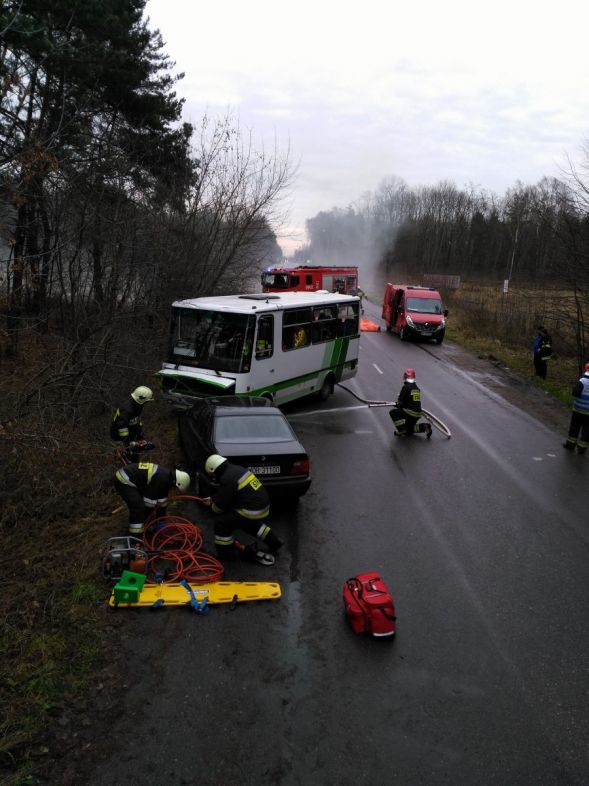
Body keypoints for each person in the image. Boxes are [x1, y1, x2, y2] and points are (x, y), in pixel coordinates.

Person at [200, 454, 283, 566]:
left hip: (251, 509)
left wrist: (212, 506)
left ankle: (226, 555)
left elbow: (220, 507)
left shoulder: (227, 478)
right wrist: (213, 499)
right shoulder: (234, 469)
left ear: (213, 470)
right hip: (262, 505)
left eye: (212, 474)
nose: (213, 477)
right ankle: (275, 541)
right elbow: (229, 494)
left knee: (221, 523)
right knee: (248, 524)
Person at [113, 462, 191, 537]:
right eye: (175, 487)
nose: (174, 489)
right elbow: (148, 503)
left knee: (143, 508)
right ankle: (135, 537)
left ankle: (142, 527)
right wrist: (147, 521)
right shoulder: (161, 478)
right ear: (176, 482)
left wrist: (161, 521)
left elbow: (162, 502)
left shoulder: (166, 478)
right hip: (124, 480)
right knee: (138, 508)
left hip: (133, 480)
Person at [111, 386, 154, 462]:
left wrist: (139, 435)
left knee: (136, 448)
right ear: (141, 400)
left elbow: (135, 420)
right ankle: (131, 463)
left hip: (129, 430)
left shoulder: (137, 405)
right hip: (119, 434)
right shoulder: (127, 410)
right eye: (146, 401)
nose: (147, 403)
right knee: (131, 456)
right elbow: (121, 426)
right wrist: (126, 442)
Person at [389, 368, 432, 437]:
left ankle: (401, 430)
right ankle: (425, 427)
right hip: (418, 413)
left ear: (406, 376)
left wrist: (397, 405)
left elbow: (400, 402)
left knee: (393, 413)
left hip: (410, 412)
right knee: (409, 429)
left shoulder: (406, 387)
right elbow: (411, 401)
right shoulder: (416, 388)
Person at [563, 363, 589, 454]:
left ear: (585, 370)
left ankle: (570, 445)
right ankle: (582, 448)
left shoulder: (582, 381)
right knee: (587, 430)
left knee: (574, 427)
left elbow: (575, 393)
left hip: (578, 409)